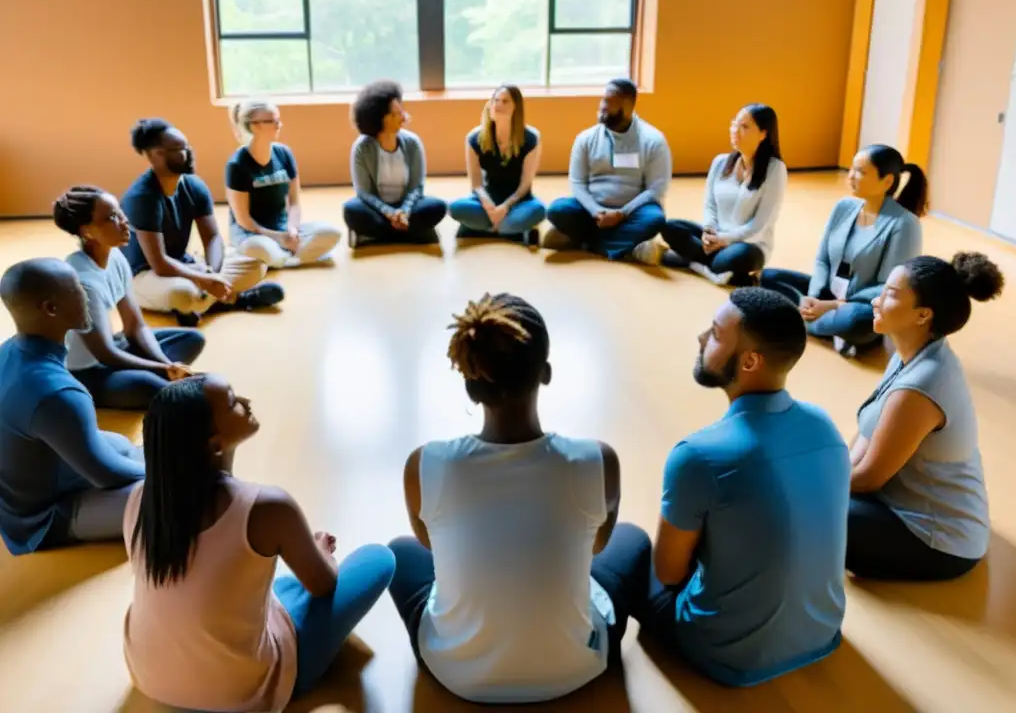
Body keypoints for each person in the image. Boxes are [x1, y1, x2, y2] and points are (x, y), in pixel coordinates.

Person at [386, 293, 651, 704]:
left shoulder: (425, 463)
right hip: (576, 670)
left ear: (472, 388)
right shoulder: (595, 460)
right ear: (545, 373)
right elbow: (599, 547)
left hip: (457, 675)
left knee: (400, 552)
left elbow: (426, 543)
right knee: (632, 539)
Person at [123, 375, 396, 711]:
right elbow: (324, 585)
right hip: (243, 693)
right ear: (214, 444)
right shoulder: (267, 507)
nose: (247, 402)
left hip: (149, 676)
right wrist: (322, 553)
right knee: (379, 559)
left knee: (269, 585)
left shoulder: (139, 499)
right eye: (233, 402)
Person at [640, 288, 849, 686]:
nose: (702, 338)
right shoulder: (825, 426)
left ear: (751, 361)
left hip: (726, 654)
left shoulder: (699, 455)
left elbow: (667, 572)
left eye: (716, 334)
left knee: (628, 548)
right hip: (822, 634)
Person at [847, 253, 1002, 581]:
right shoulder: (909, 353)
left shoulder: (921, 386)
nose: (876, 299)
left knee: (802, 510)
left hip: (939, 541)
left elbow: (867, 478)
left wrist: (810, 483)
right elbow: (868, 434)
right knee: (810, 491)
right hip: (906, 504)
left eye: (889, 294)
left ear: (922, 315)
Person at [0, 258, 144, 555]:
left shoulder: (9, 351)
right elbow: (105, 474)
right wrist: (168, 472)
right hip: (44, 516)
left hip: (18, 494)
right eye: (78, 288)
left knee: (121, 445)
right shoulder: (57, 392)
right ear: (51, 309)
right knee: (181, 496)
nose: (88, 293)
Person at [761, 144, 925, 357]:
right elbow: (822, 259)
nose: (851, 176)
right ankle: (820, 323)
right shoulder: (844, 206)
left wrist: (831, 305)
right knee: (768, 277)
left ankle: (804, 322)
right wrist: (814, 295)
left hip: (861, 305)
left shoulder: (905, 224)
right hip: (829, 292)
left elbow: (888, 287)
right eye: (852, 169)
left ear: (887, 181)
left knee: (857, 321)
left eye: (861, 172)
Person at [53, 186, 206, 411]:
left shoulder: (115, 256)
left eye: (120, 212)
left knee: (192, 339)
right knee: (156, 388)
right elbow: (104, 352)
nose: (124, 221)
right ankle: (149, 378)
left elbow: (135, 326)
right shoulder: (83, 283)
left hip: (115, 348)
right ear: (88, 232)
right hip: (87, 372)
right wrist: (160, 369)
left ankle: (155, 373)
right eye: (111, 218)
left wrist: (165, 364)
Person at [122, 118, 285, 327]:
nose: (187, 153)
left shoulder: (193, 185)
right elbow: (159, 263)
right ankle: (235, 299)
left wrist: (211, 273)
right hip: (144, 276)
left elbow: (213, 238)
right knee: (181, 293)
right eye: (177, 149)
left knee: (256, 266)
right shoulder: (143, 197)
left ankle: (200, 305)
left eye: (187, 146)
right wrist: (203, 279)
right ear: (155, 155)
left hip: (184, 265)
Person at [546, 79, 671, 263]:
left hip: (631, 212)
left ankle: (587, 241)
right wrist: (596, 211)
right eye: (602, 100)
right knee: (557, 210)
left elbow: (655, 190)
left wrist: (621, 213)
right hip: (592, 212)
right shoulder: (585, 138)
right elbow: (577, 183)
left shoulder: (653, 140)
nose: (602, 106)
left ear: (628, 106)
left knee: (655, 219)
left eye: (609, 101)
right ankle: (624, 247)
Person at [661, 104, 786, 286]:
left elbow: (760, 225)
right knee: (670, 227)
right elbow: (710, 204)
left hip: (748, 244)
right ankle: (720, 271)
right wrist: (709, 230)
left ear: (763, 134)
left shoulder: (775, 169)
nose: (735, 131)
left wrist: (724, 240)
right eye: (734, 124)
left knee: (740, 256)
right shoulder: (720, 162)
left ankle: (694, 262)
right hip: (716, 238)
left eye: (744, 127)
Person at [226, 100, 343, 268]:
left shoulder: (284, 153)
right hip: (251, 233)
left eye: (278, 120)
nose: (279, 125)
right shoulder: (237, 165)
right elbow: (243, 220)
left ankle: (280, 258)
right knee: (257, 248)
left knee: (332, 233)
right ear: (254, 126)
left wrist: (292, 229)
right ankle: (288, 256)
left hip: (282, 228)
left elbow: (294, 203)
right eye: (272, 121)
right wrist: (276, 237)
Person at [343, 81, 447, 247]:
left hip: (408, 208)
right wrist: (389, 213)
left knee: (437, 207)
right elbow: (363, 193)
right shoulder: (362, 148)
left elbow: (417, 187)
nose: (402, 117)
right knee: (351, 209)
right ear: (378, 121)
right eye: (394, 115)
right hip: (377, 209)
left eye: (401, 111)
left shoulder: (412, 143)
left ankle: (382, 235)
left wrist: (404, 211)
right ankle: (408, 232)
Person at [448, 85, 546, 245]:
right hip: (487, 203)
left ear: (516, 108)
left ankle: (485, 229)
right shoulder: (474, 138)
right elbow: (476, 184)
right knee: (454, 207)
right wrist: (489, 206)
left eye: (505, 101)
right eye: (496, 100)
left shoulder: (531, 138)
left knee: (539, 210)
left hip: (517, 202)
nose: (498, 105)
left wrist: (505, 208)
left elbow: (525, 185)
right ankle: (509, 230)